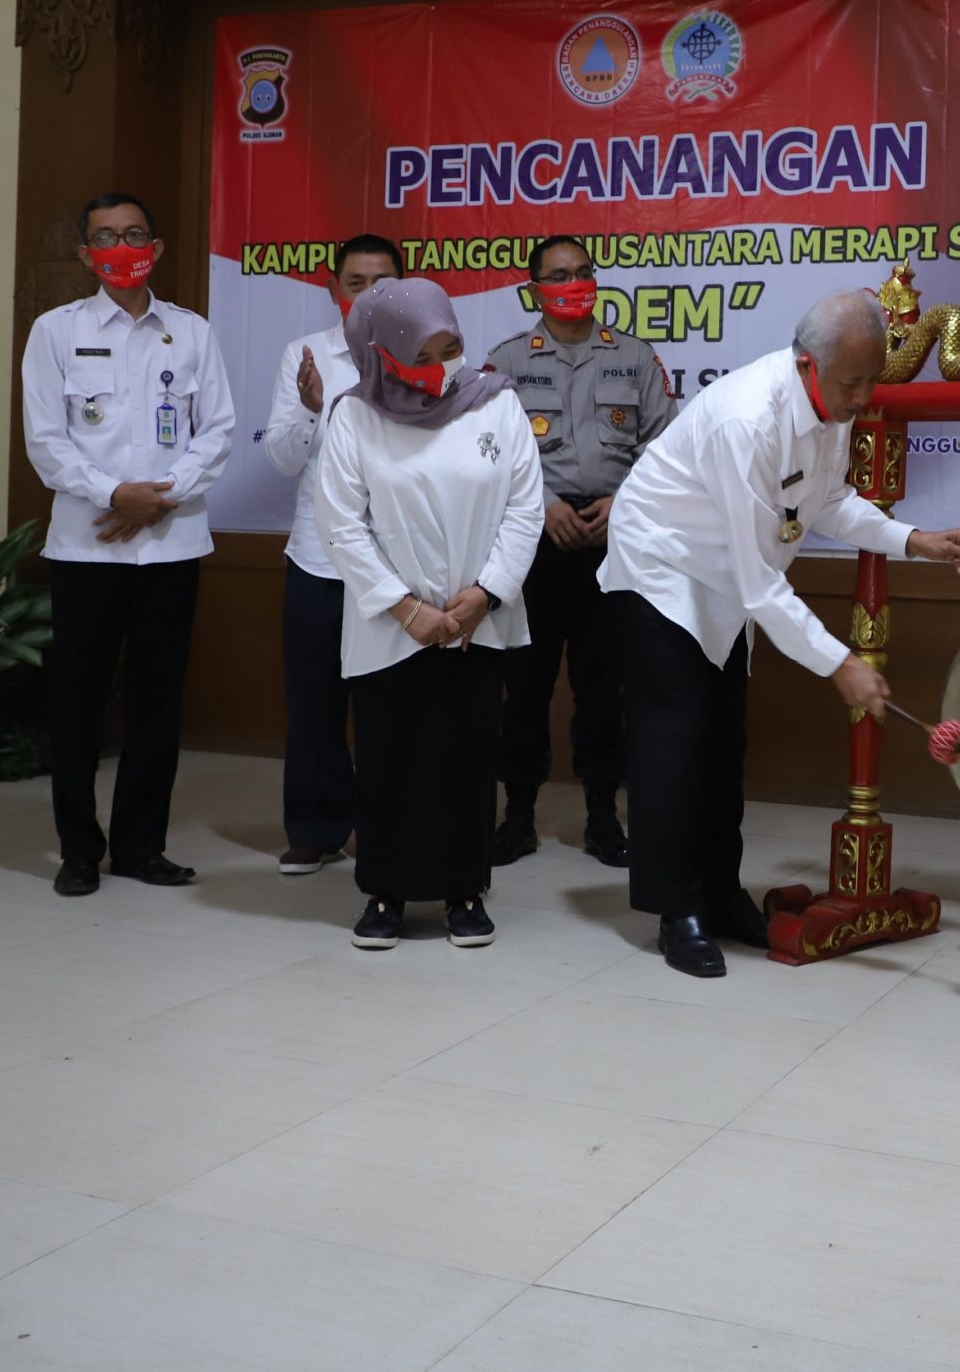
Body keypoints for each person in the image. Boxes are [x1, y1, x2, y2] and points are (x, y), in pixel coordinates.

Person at [599, 292, 960, 977]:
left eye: (873, 381)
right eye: (851, 383)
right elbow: (761, 584)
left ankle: (720, 893)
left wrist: (913, 539)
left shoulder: (831, 407)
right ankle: (676, 908)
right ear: (807, 363)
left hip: (726, 573)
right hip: (663, 568)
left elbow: (827, 502)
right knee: (674, 739)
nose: (863, 397)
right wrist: (842, 665)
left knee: (723, 739)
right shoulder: (748, 418)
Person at [314, 278, 543, 950]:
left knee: (466, 756)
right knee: (389, 757)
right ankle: (383, 893)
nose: (445, 365)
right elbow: (341, 525)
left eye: (453, 347)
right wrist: (406, 607)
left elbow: (526, 507)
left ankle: (464, 890)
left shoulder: (495, 402)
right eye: (427, 350)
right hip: (392, 625)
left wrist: (486, 593)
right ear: (386, 352)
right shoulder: (355, 415)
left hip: (480, 619)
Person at [19, 192, 234, 896]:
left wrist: (157, 495)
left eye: (135, 233)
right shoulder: (55, 330)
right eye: (106, 237)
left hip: (171, 546)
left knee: (156, 705)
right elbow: (46, 441)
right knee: (76, 705)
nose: (122, 246)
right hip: (87, 549)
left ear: (157, 246)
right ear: (86, 254)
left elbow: (219, 430)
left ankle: (142, 846)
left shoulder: (192, 332)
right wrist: (115, 495)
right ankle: (78, 849)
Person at [486, 235, 676, 869]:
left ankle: (602, 817)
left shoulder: (635, 358)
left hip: (611, 541)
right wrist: (543, 504)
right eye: (558, 275)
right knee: (525, 684)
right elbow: (490, 452)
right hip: (530, 540)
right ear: (534, 288)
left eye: (583, 271)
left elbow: (666, 450)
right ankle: (516, 817)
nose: (573, 282)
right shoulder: (506, 362)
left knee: (605, 687)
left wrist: (624, 501)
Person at [261, 233, 403, 875]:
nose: (370, 294)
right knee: (314, 698)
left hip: (400, 561)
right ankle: (316, 828)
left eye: (383, 282)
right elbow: (282, 458)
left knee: (390, 705)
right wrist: (315, 410)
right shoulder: (306, 354)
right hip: (319, 557)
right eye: (356, 283)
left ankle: (388, 830)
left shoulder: (429, 350)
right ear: (333, 288)